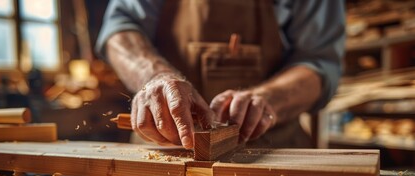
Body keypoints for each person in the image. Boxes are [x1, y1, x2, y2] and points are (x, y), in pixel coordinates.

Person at [96, 0, 345, 149]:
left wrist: (267, 99)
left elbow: (320, 61)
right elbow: (121, 28)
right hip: (163, 150)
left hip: (272, 153)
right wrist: (153, 76)